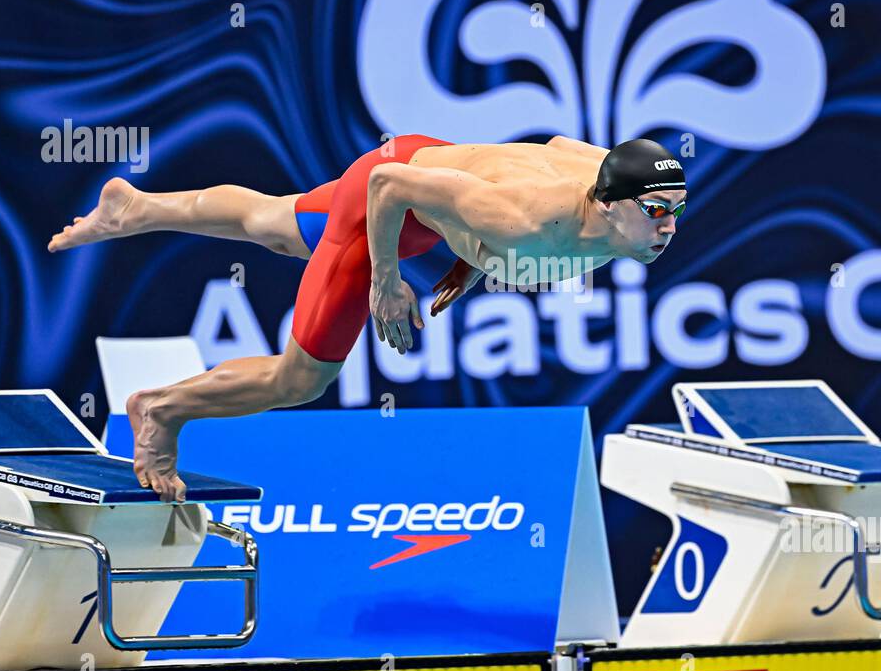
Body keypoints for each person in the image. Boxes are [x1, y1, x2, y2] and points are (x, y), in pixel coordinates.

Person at [48, 134, 687, 501]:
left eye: (677, 206)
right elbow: (388, 184)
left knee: (275, 222)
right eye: (657, 208)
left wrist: (474, 257)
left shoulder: (602, 192)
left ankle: (134, 207)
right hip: (395, 190)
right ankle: (162, 409)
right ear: (606, 205)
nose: (670, 224)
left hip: (436, 177)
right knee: (300, 382)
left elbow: (556, 144)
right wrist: (389, 280)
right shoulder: (521, 216)